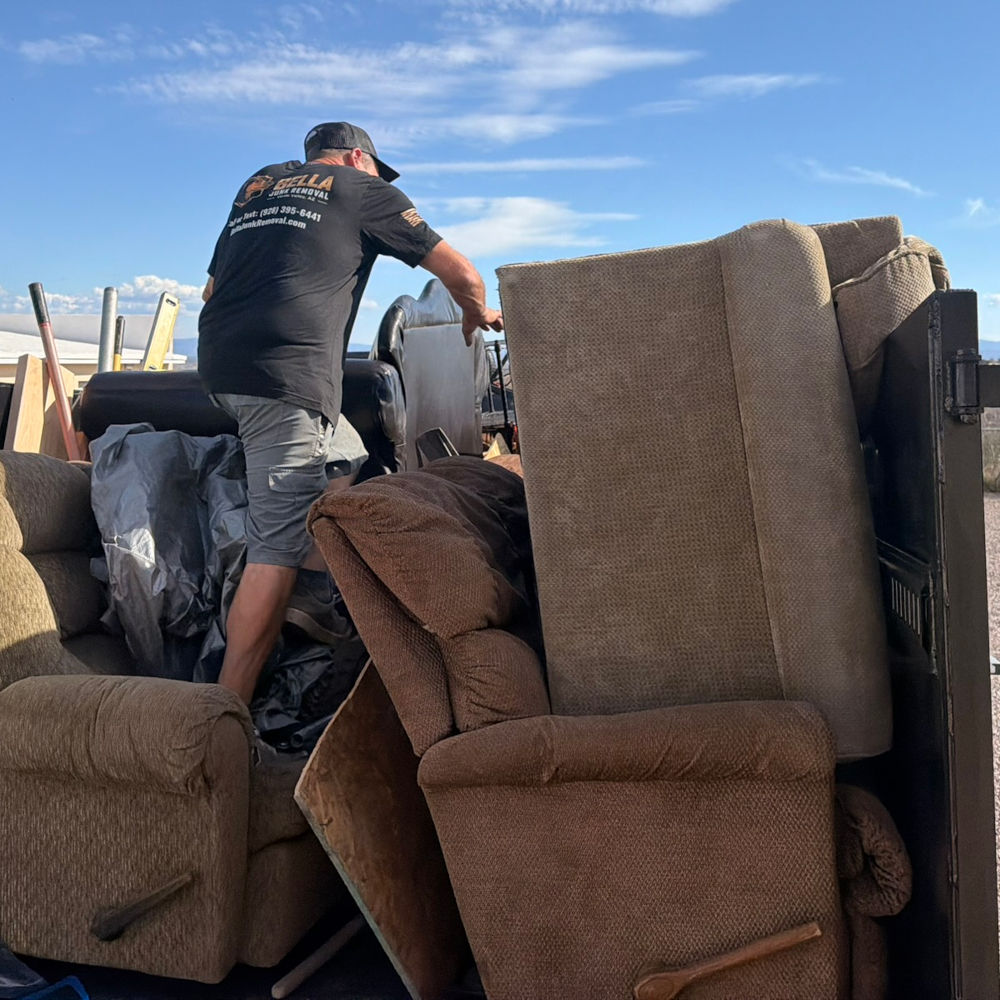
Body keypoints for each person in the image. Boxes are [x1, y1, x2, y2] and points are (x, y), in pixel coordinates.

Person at [198, 121, 503, 704]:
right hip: (283, 379)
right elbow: (462, 274)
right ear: (358, 157)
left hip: (217, 368)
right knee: (275, 547)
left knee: (344, 451)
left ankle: (316, 596)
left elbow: (212, 292)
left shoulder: (258, 186)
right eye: (374, 167)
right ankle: (224, 714)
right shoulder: (364, 190)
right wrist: (476, 313)